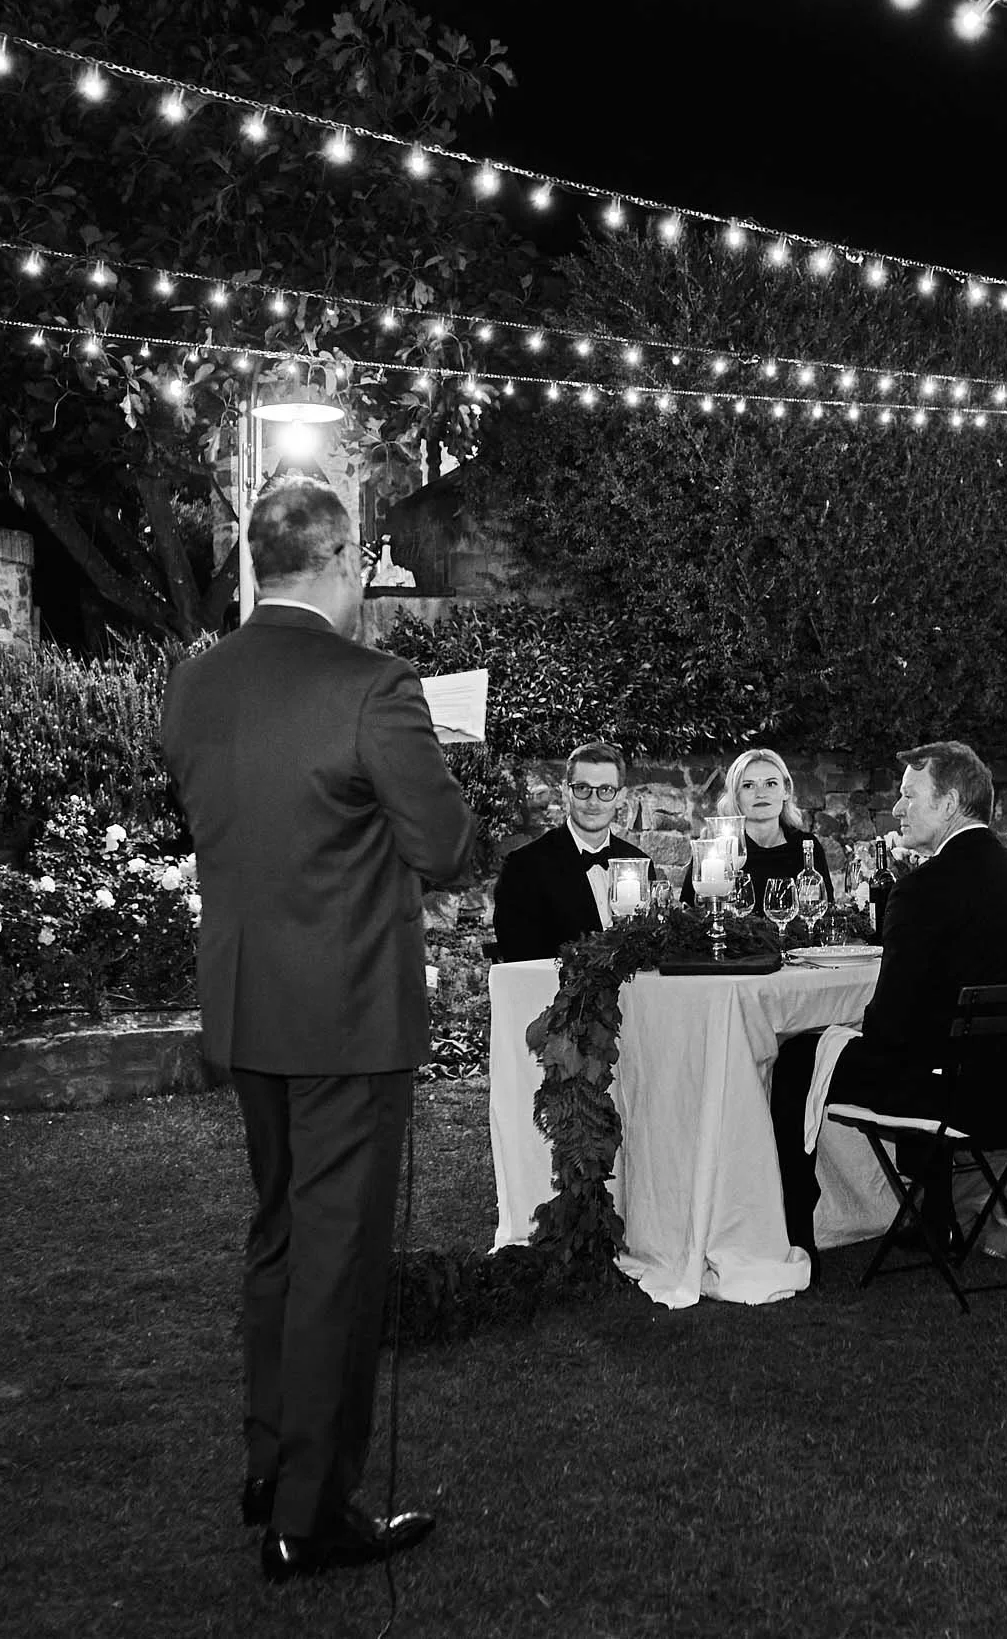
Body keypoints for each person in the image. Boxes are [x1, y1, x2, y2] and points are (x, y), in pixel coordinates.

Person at [159, 479, 474, 1582]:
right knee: (336, 1258)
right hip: (344, 1017)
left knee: (281, 1237)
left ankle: (266, 1461)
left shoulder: (194, 685)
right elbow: (441, 845)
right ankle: (309, 1510)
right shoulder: (372, 685)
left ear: (257, 561)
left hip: (247, 1011)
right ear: (338, 558)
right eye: (362, 566)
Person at [768, 741, 1007, 1256]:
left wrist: (841, 1035)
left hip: (951, 1098)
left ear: (950, 803)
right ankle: (936, 1215)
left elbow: (891, 1029)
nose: (898, 808)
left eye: (910, 796)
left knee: (797, 1056)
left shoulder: (920, 892)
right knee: (929, 1046)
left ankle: (794, 1233)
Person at [489, 742, 648, 962]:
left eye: (605, 790)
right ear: (566, 792)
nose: (593, 802)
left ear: (621, 796)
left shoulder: (639, 862)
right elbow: (519, 957)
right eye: (583, 788)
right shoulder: (524, 866)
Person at [678, 747, 830, 907]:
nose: (760, 793)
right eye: (748, 786)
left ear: (786, 791)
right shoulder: (716, 848)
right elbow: (688, 915)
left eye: (770, 784)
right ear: (736, 796)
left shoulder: (807, 847)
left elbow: (825, 911)